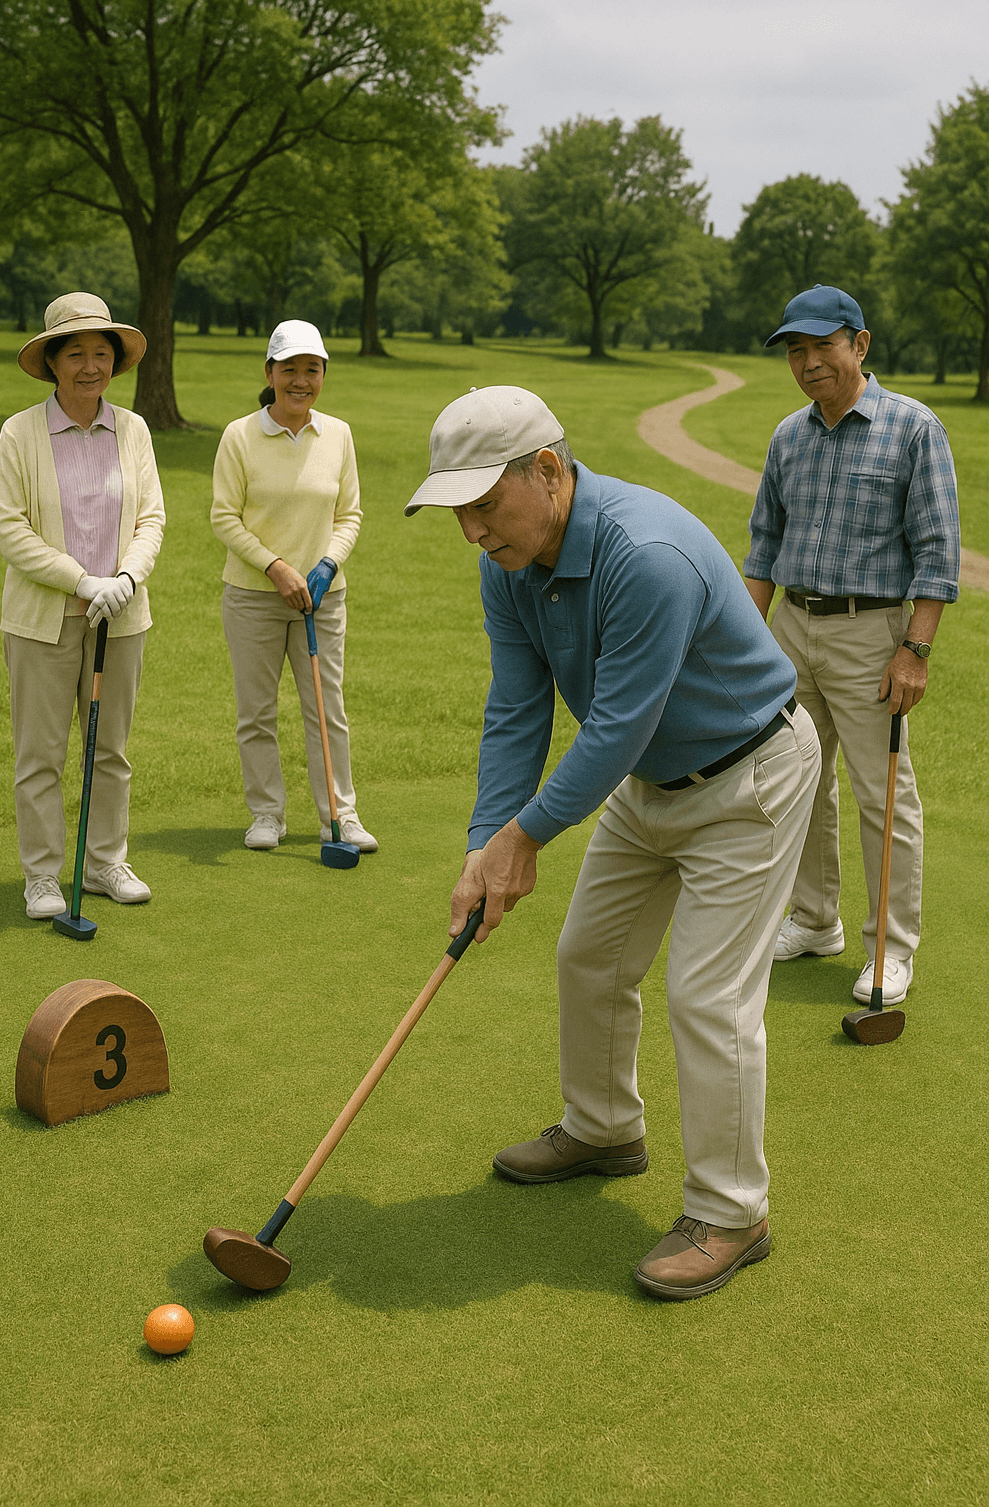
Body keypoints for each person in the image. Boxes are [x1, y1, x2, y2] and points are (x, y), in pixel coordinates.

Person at [404, 385, 822, 1301]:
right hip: (650, 783)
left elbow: (618, 726)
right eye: (458, 512)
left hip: (749, 777)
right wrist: (487, 841)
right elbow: (517, 708)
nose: (472, 531)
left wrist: (526, 839)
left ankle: (732, 1212)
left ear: (548, 471)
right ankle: (602, 1129)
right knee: (589, 955)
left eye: (485, 504)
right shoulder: (509, 563)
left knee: (708, 996)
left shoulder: (647, 554)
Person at [744, 285, 960, 1006]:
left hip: (873, 635)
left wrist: (915, 651)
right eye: (795, 351)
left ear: (859, 345)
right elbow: (764, 546)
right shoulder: (788, 436)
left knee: (883, 794)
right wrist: (747, 641)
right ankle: (814, 920)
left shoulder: (914, 429)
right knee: (795, 780)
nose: (808, 363)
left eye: (822, 346)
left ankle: (890, 951)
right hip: (789, 630)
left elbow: (937, 553)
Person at [0, 292, 165, 918]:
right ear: (53, 362)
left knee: (109, 748)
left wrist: (126, 577)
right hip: (43, 619)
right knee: (40, 754)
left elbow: (151, 519)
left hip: (121, 613)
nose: (90, 367)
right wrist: (81, 581)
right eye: (76, 354)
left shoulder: (134, 429)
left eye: (101, 354)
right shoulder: (19, 432)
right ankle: (42, 876)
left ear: (114, 362)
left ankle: (103, 863)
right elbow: (9, 528)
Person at [210, 320, 376, 853]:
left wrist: (328, 563)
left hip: (323, 599)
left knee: (327, 710)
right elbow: (224, 517)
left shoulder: (339, 435)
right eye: (290, 370)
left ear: (323, 375)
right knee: (256, 713)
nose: (300, 381)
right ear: (270, 373)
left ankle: (339, 817)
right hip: (252, 597)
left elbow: (349, 514)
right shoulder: (240, 436)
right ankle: (266, 814)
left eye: (312, 369)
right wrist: (276, 567)